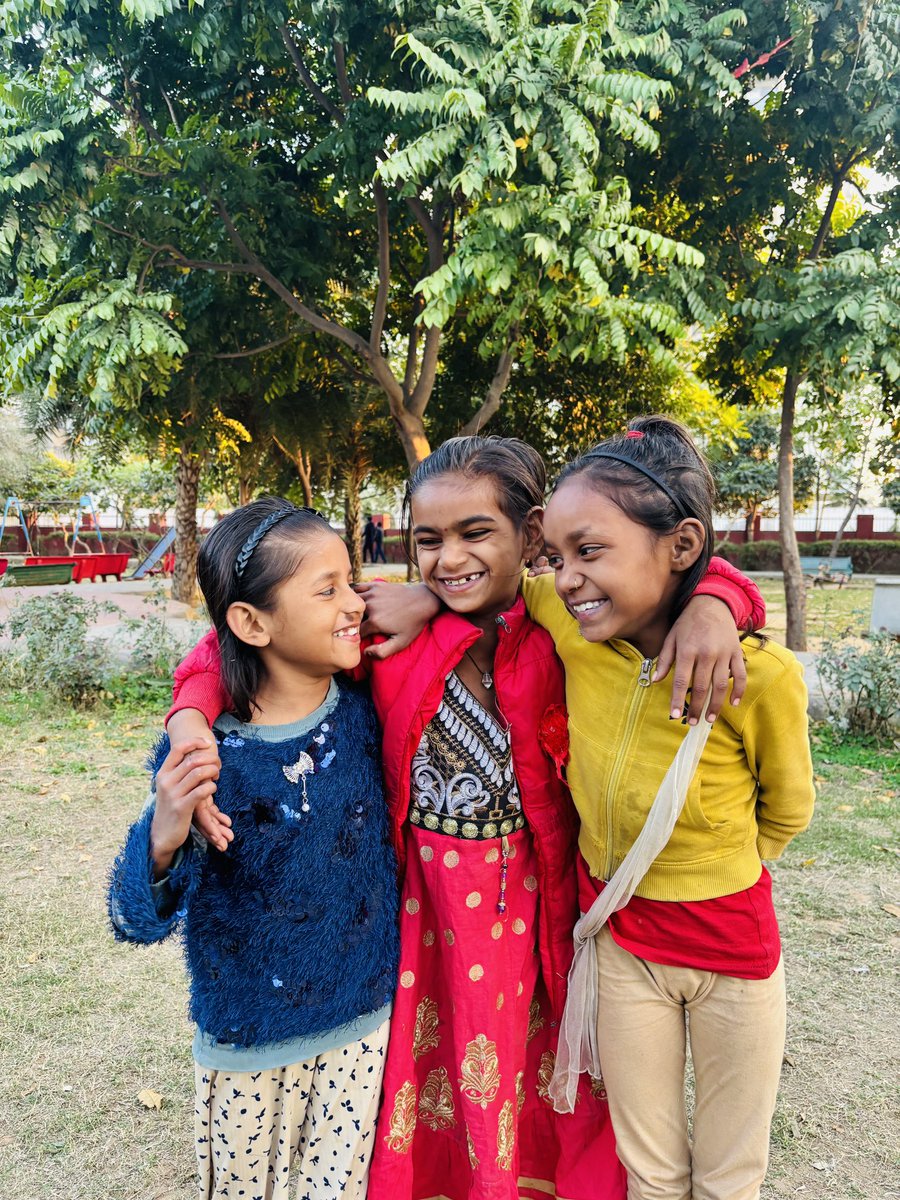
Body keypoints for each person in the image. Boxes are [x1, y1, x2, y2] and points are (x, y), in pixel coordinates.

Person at [165, 437, 762, 1200]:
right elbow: (236, 640)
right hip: (424, 920)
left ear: (533, 535)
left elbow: (695, 573)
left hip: (542, 911)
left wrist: (717, 604)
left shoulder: (569, 632)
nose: (448, 559)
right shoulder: (385, 633)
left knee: (534, 1078)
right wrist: (190, 717)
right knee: (433, 1083)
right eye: (427, 540)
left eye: (475, 533)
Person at [530, 417, 814, 1200]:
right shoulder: (573, 626)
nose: (566, 579)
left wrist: (718, 600)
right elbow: (485, 582)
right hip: (624, 948)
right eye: (555, 557)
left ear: (682, 546)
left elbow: (787, 811)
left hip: (733, 954)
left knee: (730, 1173)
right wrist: (420, 595)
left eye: (589, 552)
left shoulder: (761, 678)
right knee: (649, 1168)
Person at [107, 498, 400, 1200]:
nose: (353, 603)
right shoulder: (207, 754)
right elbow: (136, 916)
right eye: (325, 590)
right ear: (250, 621)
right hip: (244, 1044)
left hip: (362, 1030)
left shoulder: (369, 710)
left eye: (349, 580)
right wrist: (164, 834)